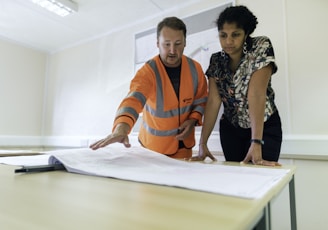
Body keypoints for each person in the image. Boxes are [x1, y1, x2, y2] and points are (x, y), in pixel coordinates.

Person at [90, 17, 208, 159]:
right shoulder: (147, 72)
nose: (172, 50)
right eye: (166, 44)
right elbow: (133, 100)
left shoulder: (195, 68)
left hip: (184, 147)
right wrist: (121, 129)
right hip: (153, 150)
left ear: (185, 43)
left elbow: (201, 100)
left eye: (178, 44)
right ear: (158, 44)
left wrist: (193, 120)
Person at [191, 5, 282, 166]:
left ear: (246, 34)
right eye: (223, 35)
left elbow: (256, 94)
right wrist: (202, 143)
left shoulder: (261, 46)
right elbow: (213, 101)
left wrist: (256, 142)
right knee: (236, 181)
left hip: (264, 127)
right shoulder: (216, 61)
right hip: (231, 129)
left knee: (261, 179)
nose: (228, 41)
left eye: (235, 35)